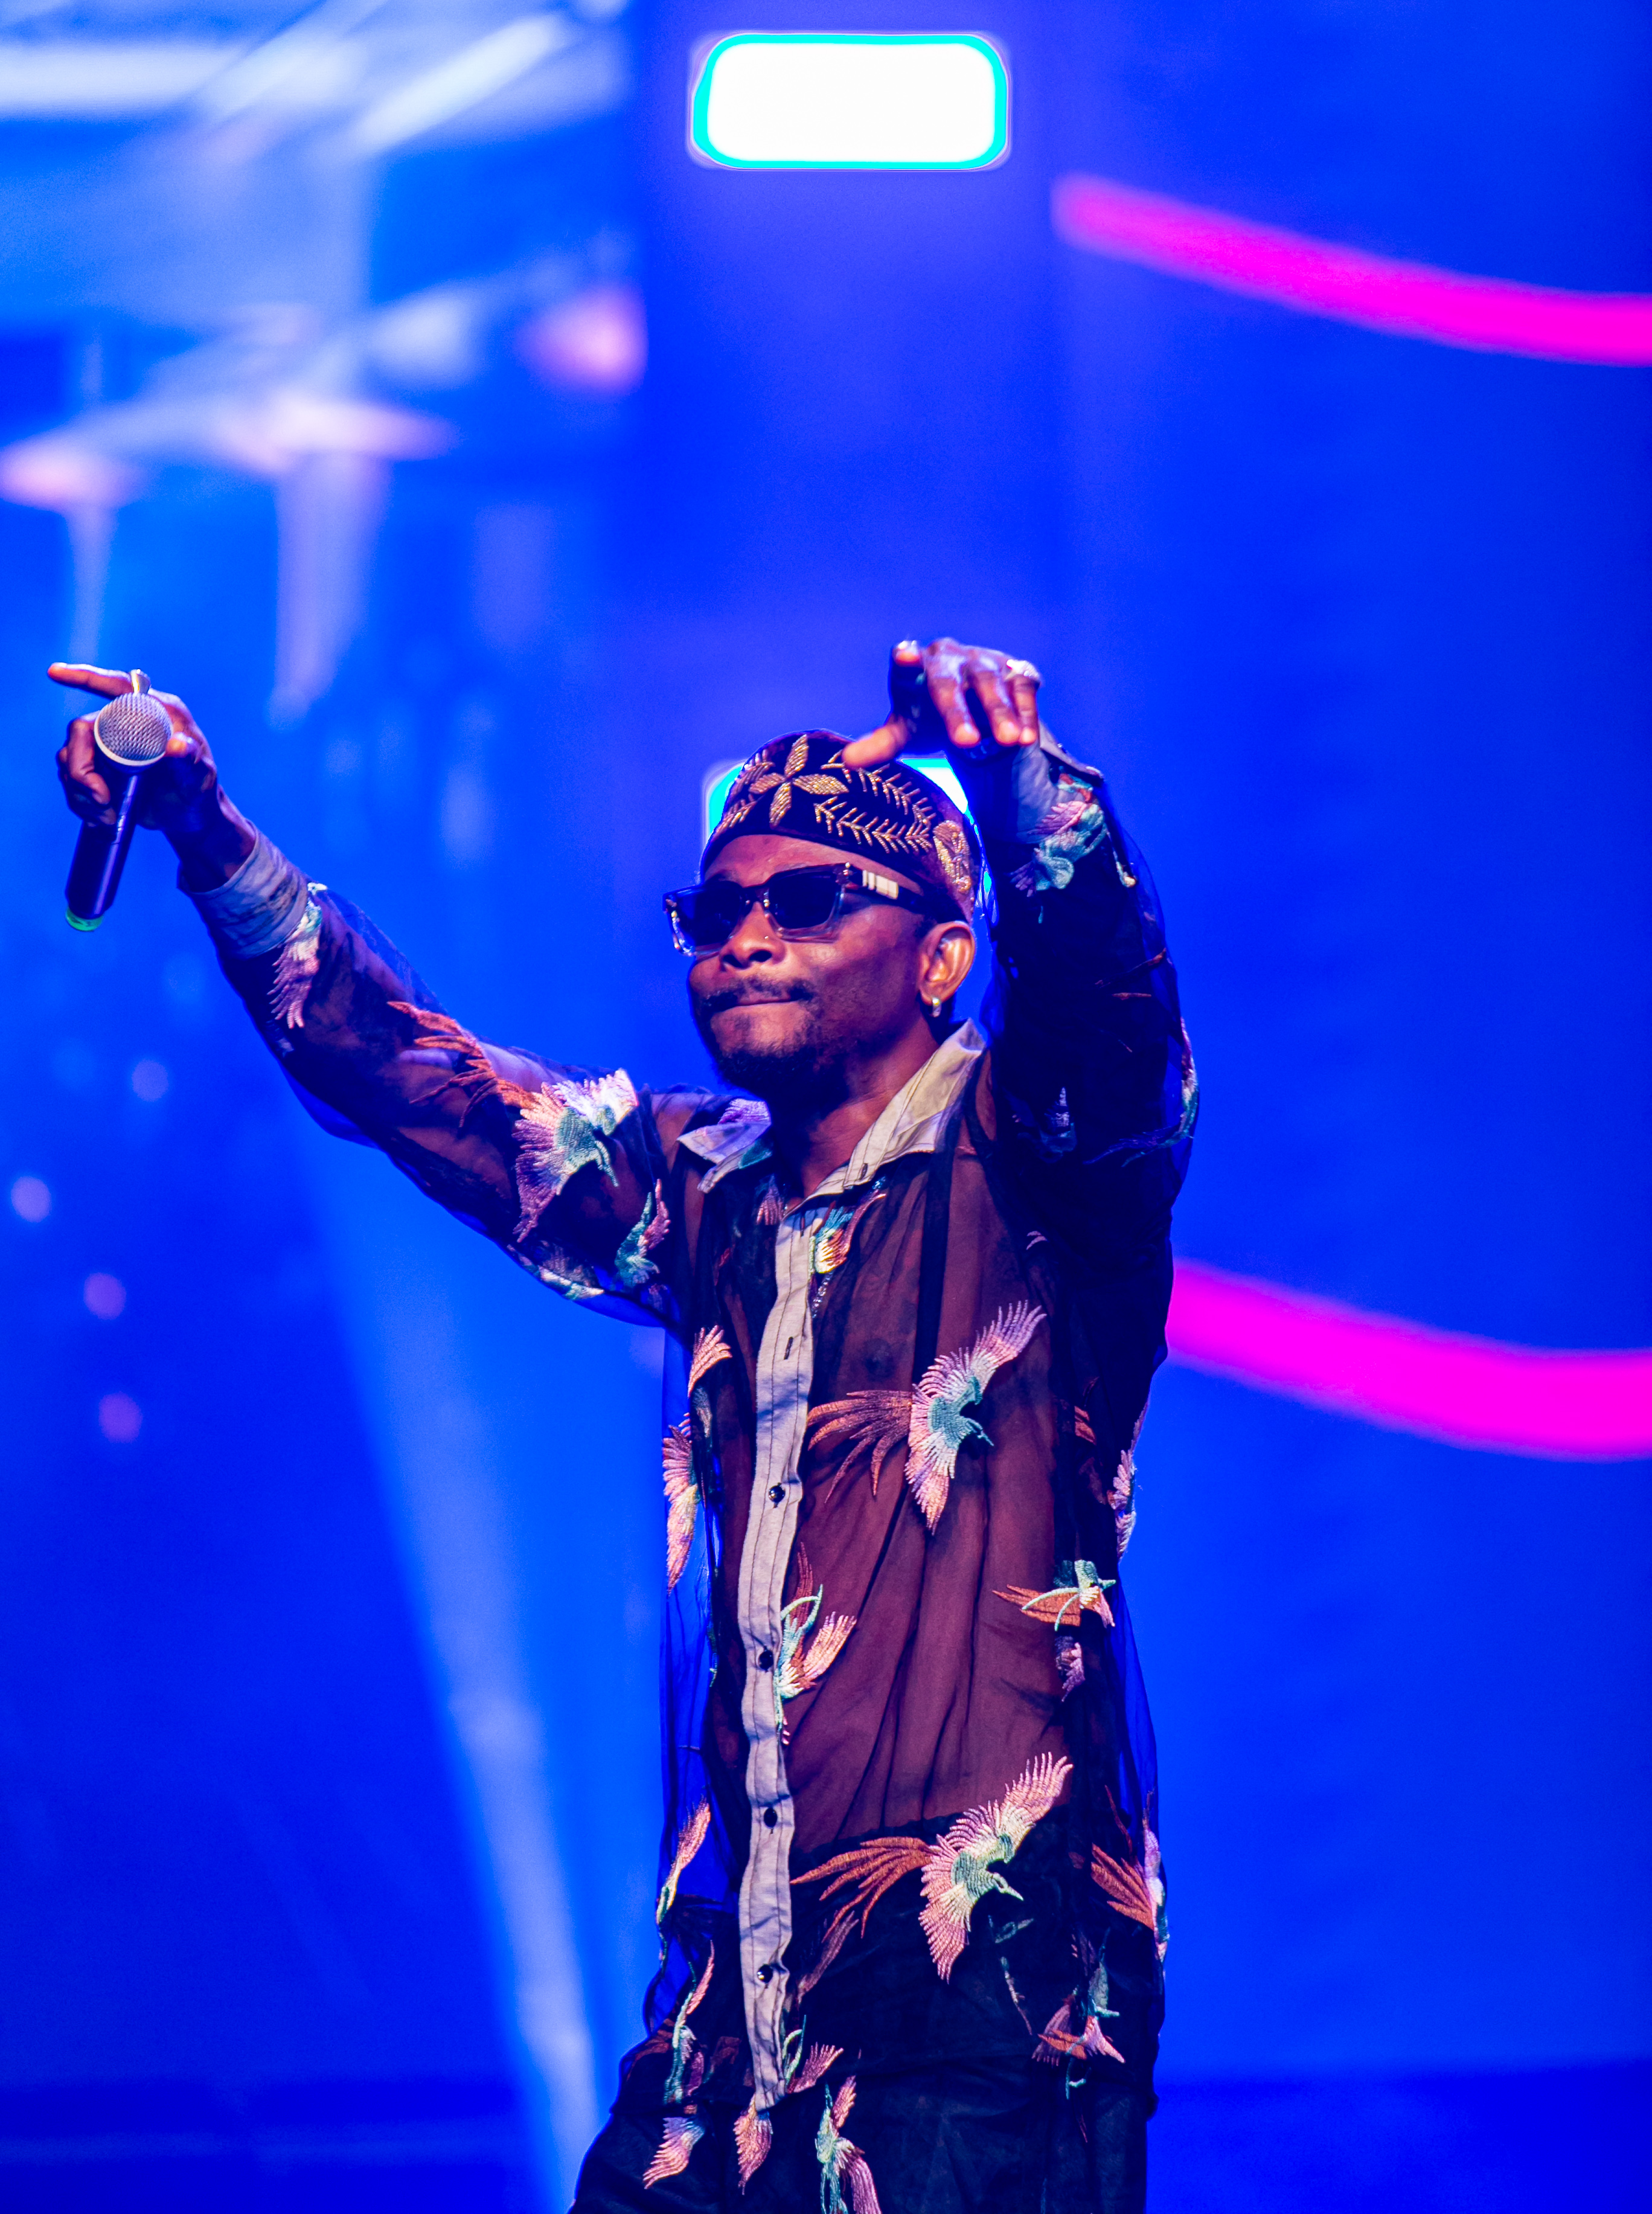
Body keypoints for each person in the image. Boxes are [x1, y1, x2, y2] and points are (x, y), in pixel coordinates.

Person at [52, 637, 1194, 2214]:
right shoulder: (699, 1187)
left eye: (809, 902)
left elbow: (1108, 1022)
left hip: (986, 2017)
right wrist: (203, 824)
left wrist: (1024, 793)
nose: (745, 941)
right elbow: (413, 1074)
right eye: (713, 914)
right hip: (729, 2018)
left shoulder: (1045, 1170)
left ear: (944, 959)